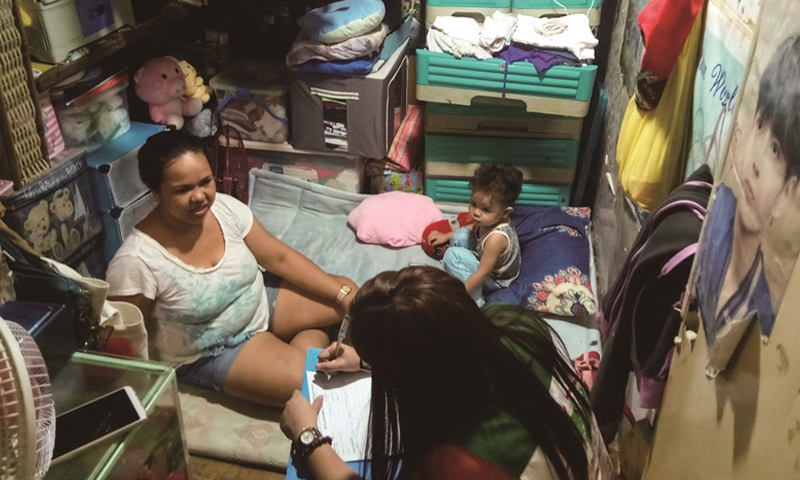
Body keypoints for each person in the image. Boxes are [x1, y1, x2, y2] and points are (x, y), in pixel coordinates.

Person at [280, 266, 611, 480]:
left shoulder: (452, 463)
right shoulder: (513, 322)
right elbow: (451, 349)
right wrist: (371, 361)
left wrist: (308, 436)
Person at [105, 130, 358, 406]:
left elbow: (279, 258)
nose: (199, 196)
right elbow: (122, 340)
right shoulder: (136, 260)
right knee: (313, 382)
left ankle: (302, 347)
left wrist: (342, 295)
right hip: (214, 349)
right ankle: (303, 349)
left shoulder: (224, 209)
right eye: (182, 190)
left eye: (205, 182)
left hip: (259, 303)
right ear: (155, 192)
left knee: (352, 295)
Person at [695, 34, 800, 368]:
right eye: (760, 124)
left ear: (787, 192)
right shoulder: (716, 211)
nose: (756, 163)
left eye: (776, 151)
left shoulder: (763, 317)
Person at [427, 162, 523, 303]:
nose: (476, 212)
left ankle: (477, 302)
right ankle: (457, 273)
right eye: (473, 204)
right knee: (461, 235)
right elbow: (475, 226)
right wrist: (446, 236)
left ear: (505, 213)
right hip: (486, 262)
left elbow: (483, 274)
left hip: (495, 279)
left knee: (452, 256)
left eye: (486, 209)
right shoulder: (490, 220)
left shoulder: (496, 238)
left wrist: (459, 295)